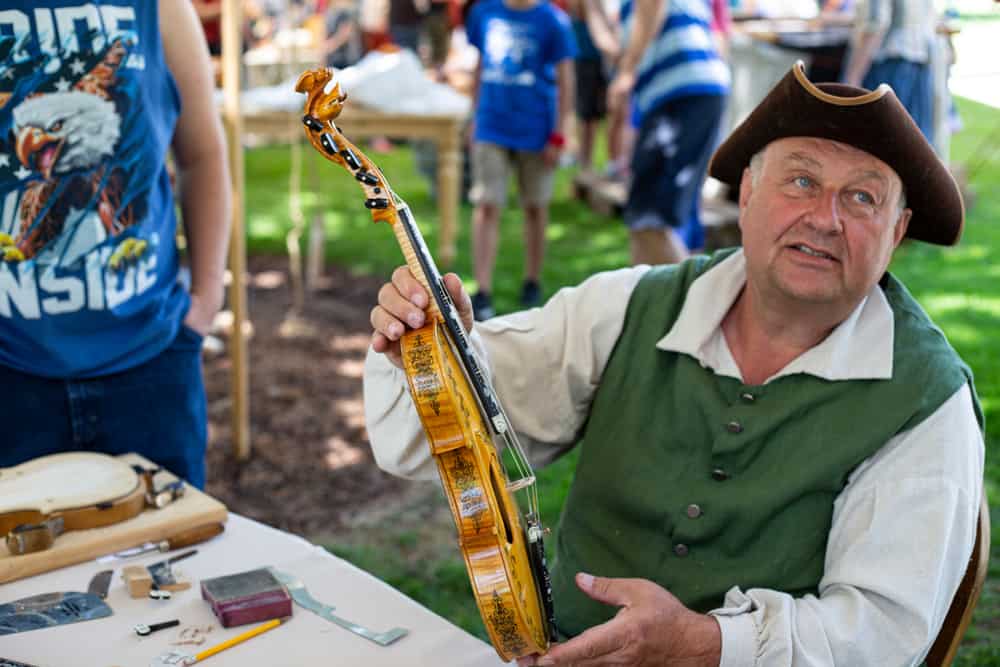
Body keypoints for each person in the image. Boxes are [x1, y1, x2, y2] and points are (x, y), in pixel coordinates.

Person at [362, 63, 984, 664]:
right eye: (800, 181)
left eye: (862, 198)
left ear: (897, 231)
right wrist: (427, 356)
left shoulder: (926, 400)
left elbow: (879, 634)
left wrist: (709, 647)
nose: (825, 218)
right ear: (746, 193)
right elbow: (429, 445)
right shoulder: (631, 306)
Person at [0, 0, 232, 490]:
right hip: (10, 376)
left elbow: (202, 153)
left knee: (171, 559)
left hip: (152, 363)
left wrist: (205, 302)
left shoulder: (161, 7)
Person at [464, 0, 577, 320]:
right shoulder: (484, 12)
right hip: (492, 125)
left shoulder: (553, 20)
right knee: (486, 203)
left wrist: (559, 134)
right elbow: (481, 65)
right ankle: (482, 290)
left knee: (535, 206)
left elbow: (566, 80)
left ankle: (532, 280)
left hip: (536, 128)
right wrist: (474, 116)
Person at [608, 0, 730, 265]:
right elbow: (612, 45)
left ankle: (699, 303)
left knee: (647, 217)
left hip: (681, 92)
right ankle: (645, 301)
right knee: (659, 216)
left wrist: (626, 73)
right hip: (689, 92)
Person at [841, 0, 937, 143]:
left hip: (889, 64)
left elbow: (876, 24)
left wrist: (853, 77)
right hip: (916, 61)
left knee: (881, 139)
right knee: (909, 142)